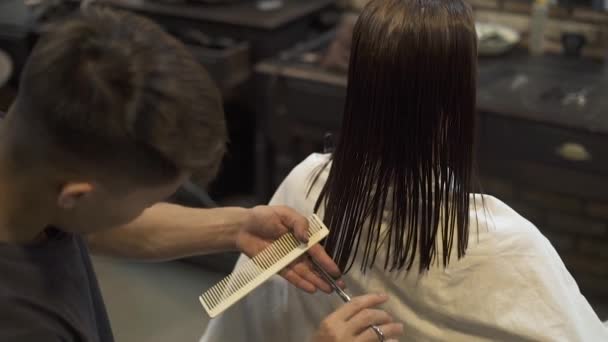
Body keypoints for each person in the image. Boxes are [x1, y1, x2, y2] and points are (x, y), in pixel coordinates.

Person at [201, 0, 608, 341]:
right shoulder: (511, 246)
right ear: (458, 102)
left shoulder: (304, 185)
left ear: (359, 88)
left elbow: (237, 328)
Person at [0, 6, 401, 342]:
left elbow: (85, 227)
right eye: (146, 200)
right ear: (77, 194)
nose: (150, 207)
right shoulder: (25, 324)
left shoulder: (29, 160)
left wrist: (235, 227)